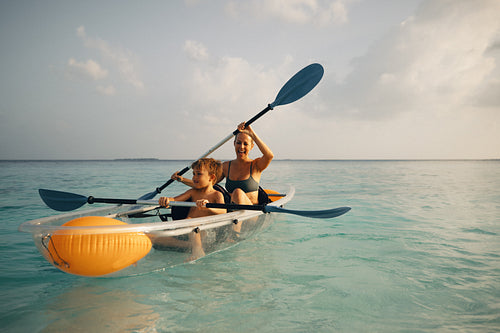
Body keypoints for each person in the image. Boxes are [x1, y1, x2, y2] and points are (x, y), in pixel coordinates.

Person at [173, 122, 274, 205]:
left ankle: (236, 229)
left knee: (238, 192)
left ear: (251, 146)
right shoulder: (226, 166)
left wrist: (252, 134)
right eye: (238, 143)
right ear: (234, 144)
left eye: (245, 144)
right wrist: (181, 179)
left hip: (251, 213)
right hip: (232, 214)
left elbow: (269, 156)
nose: (241, 147)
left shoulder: (256, 165)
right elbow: (205, 184)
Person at [155, 158, 226, 261]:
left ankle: (197, 251)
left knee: (191, 222)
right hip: (186, 228)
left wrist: (208, 206)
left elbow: (223, 211)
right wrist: (166, 200)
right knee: (155, 239)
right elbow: (175, 200)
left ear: (211, 177)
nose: (194, 177)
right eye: (193, 174)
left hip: (204, 231)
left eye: (199, 174)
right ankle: (190, 245)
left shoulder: (217, 194)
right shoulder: (193, 192)